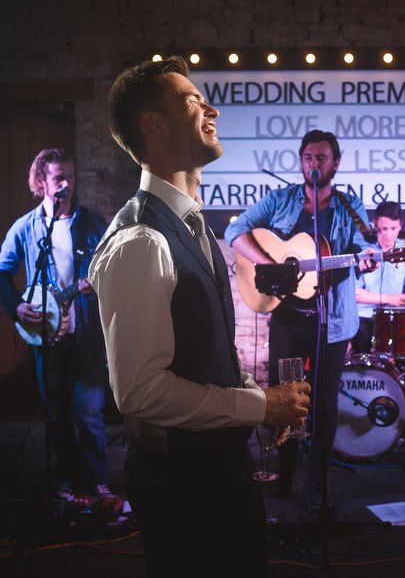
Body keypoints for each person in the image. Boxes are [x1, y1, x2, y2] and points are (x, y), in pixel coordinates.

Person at [90, 56, 310, 576]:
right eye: (192, 100)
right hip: (181, 485)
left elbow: (204, 346)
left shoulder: (197, 227)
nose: (212, 108)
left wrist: (259, 397)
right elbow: (138, 392)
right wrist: (256, 408)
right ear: (154, 124)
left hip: (217, 473)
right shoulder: (141, 240)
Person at [225, 129, 374, 508]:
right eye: (308, 157)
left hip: (332, 320)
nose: (314, 164)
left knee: (323, 403)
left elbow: (367, 247)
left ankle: (319, 482)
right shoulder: (281, 200)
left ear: (335, 164)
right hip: (287, 318)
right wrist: (272, 265)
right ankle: (283, 474)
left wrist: (370, 257)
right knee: (284, 398)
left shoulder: (349, 206)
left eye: (322, 158)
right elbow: (234, 230)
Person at [0, 148, 110, 503]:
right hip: (47, 338)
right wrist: (16, 307)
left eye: (70, 177)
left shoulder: (92, 222)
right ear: (41, 182)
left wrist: (99, 281)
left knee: (90, 412)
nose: (66, 184)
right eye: (58, 178)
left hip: (86, 335)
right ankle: (65, 483)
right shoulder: (28, 228)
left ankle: (97, 482)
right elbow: (2, 272)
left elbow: (112, 265)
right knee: (56, 412)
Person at [351, 200, 405, 353]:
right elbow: (353, 292)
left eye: (393, 228)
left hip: (393, 317)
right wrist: (389, 298)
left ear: (400, 225)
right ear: (375, 224)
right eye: (383, 229)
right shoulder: (363, 250)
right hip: (364, 316)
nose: (388, 234)